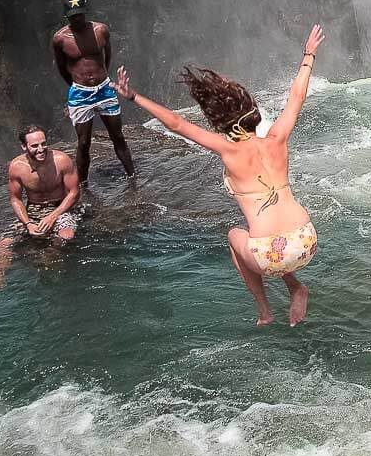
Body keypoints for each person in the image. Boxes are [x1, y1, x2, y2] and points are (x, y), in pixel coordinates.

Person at [114, 25, 325, 326]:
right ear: (254, 112)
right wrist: (309, 54)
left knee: (233, 236)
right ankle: (296, 288)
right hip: (306, 240)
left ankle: (265, 311)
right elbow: (296, 97)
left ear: (221, 123)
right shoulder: (277, 138)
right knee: (270, 243)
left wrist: (133, 96)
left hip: (270, 254)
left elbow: (176, 124)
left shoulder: (229, 150)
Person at [0, 124, 81, 289]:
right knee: (2, 243)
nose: (41, 149)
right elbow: (15, 199)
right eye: (35, 146)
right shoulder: (17, 166)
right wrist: (28, 223)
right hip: (33, 210)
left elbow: (74, 193)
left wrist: (53, 216)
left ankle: (48, 266)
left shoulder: (61, 160)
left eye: (43, 144)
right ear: (24, 146)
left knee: (66, 236)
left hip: (60, 207)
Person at [52, 0, 135, 182]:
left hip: (104, 89)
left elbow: (107, 57)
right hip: (80, 93)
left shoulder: (101, 30)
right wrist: (77, 84)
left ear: (85, 13)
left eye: (80, 15)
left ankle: (132, 176)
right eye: (73, 17)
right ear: (67, 17)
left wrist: (101, 77)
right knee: (83, 142)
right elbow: (61, 67)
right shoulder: (60, 39)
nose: (77, 20)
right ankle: (82, 185)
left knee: (118, 135)